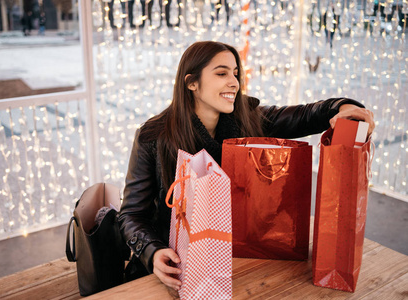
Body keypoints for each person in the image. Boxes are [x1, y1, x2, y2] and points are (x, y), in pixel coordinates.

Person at [118, 41, 375, 291]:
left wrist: (345, 106)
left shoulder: (247, 118)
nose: (234, 82)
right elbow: (131, 215)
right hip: (178, 266)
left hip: (242, 256)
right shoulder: (153, 136)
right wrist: (153, 253)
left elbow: (306, 116)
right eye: (221, 73)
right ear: (191, 83)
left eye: (236, 73)